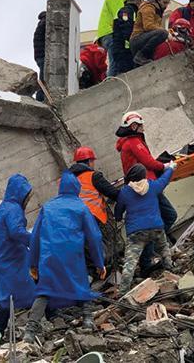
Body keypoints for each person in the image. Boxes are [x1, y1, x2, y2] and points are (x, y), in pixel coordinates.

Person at [23, 171, 106, 342]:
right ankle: (88, 320)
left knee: (45, 290)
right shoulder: (81, 207)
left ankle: (29, 332)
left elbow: (35, 237)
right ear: (77, 188)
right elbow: (94, 237)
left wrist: (33, 263)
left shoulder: (47, 207)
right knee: (81, 285)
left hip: (50, 257)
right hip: (72, 256)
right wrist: (99, 262)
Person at [115, 111, 177, 271]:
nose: (143, 128)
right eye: (140, 125)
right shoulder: (133, 142)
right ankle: (150, 255)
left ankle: (147, 259)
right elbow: (148, 161)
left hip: (140, 188)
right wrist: (166, 167)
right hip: (146, 187)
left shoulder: (127, 142)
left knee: (156, 221)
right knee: (169, 215)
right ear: (133, 126)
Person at [0, 174, 36, 338]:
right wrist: (35, 241)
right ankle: (50, 316)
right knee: (35, 283)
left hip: (3, 256)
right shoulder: (14, 210)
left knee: (8, 295)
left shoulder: (3, 207)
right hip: (14, 257)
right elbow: (16, 231)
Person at [115, 163, 176, 294]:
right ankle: (171, 273)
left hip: (136, 233)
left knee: (130, 264)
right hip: (156, 228)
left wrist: (119, 217)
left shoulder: (124, 192)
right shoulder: (152, 186)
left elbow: (118, 213)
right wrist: (171, 168)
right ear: (143, 176)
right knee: (164, 250)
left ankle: (123, 292)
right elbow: (164, 180)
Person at [97, 0, 144, 76]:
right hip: (109, 32)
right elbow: (119, 19)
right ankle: (110, 85)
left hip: (108, 33)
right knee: (115, 63)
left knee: (116, 62)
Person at [69, 146, 119, 226]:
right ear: (89, 161)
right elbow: (113, 193)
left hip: (79, 223)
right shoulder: (93, 176)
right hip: (96, 220)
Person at [129, 0, 172, 66]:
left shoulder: (157, 10)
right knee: (163, 33)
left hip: (142, 40)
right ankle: (141, 56)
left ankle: (142, 57)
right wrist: (165, 32)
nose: (166, 6)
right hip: (137, 40)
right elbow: (148, 26)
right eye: (165, 3)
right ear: (158, 0)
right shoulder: (148, 7)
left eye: (167, 3)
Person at [111, 0, 144, 75]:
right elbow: (126, 26)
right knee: (124, 74)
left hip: (124, 49)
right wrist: (134, 41)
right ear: (139, 1)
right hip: (122, 50)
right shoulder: (127, 10)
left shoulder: (132, 11)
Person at [33, 11, 47, 101]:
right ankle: (40, 100)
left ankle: (41, 98)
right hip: (42, 57)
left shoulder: (40, 25)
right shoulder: (43, 23)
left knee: (43, 79)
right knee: (43, 80)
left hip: (39, 57)